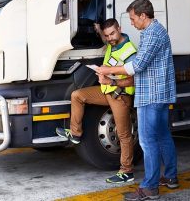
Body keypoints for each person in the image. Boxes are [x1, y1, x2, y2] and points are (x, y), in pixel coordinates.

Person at [96, 0, 179, 200]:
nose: (131, 23)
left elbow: (136, 66)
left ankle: (150, 187)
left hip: (151, 95)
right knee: (162, 136)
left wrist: (107, 70)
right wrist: (113, 79)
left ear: (143, 15)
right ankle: (170, 177)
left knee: (148, 141)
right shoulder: (154, 32)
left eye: (133, 18)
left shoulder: (152, 34)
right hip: (157, 94)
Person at [56, 18, 138, 183]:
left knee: (123, 134)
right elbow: (104, 38)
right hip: (106, 91)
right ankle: (76, 134)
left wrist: (111, 81)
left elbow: (133, 80)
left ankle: (127, 171)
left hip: (120, 96)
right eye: (107, 35)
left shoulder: (130, 51)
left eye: (112, 34)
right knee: (77, 95)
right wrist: (99, 30)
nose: (109, 38)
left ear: (120, 29)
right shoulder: (111, 43)